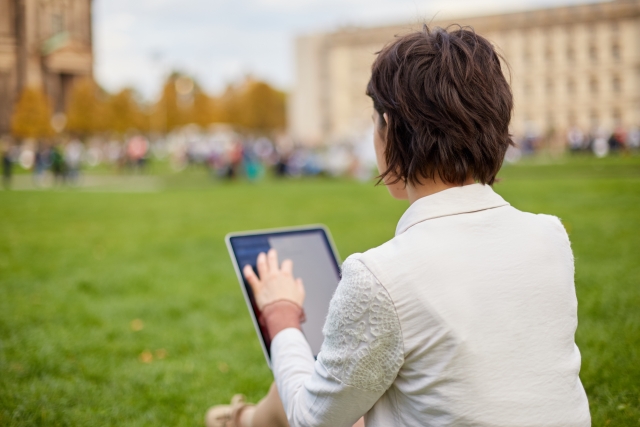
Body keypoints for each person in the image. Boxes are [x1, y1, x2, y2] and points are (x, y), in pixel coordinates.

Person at [206, 25, 590, 427]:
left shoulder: (381, 276)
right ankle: (244, 420)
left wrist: (281, 317)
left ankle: (242, 421)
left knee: (325, 393)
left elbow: (311, 420)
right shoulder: (551, 236)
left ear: (388, 128)